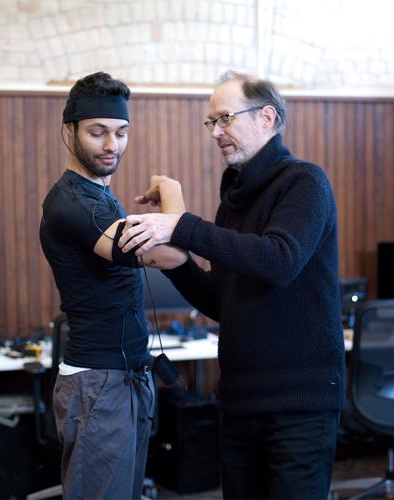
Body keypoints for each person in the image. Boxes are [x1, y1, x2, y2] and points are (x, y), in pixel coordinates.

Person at [119, 70, 346, 499]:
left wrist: (181, 227)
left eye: (225, 118)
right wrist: (174, 263)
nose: (216, 132)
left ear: (266, 117)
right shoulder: (234, 202)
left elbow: (279, 260)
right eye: (211, 123)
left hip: (300, 406)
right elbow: (223, 301)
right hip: (241, 402)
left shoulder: (304, 182)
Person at [39, 71, 187, 499]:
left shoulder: (102, 198)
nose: (111, 145)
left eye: (121, 132)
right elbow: (172, 255)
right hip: (98, 383)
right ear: (69, 131)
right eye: (97, 132)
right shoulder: (72, 203)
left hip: (124, 376)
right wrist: (171, 192)